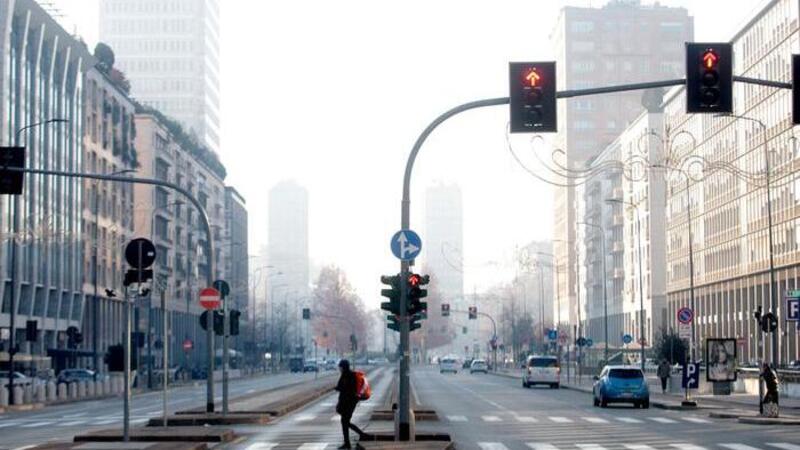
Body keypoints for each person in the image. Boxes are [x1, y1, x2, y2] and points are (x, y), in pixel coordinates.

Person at [335, 359, 367, 449]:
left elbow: (345, 389)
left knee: (345, 422)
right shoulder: (348, 375)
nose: (339, 369)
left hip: (348, 403)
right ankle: (349, 441)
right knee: (345, 422)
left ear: (343, 367)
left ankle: (352, 440)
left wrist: (338, 388)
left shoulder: (347, 376)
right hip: (349, 403)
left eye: (340, 367)